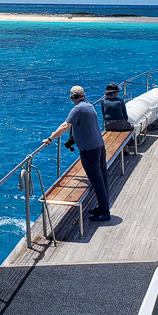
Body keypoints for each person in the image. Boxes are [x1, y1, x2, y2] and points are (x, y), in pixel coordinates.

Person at [43, 86, 111, 221]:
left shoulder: (77, 109)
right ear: (84, 95)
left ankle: (104, 212)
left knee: (97, 181)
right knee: (102, 178)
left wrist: (50, 138)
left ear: (71, 97)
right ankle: (103, 207)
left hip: (89, 150)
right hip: (99, 145)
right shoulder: (89, 106)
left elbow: (65, 126)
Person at [101, 83, 133, 155]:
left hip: (108, 125)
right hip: (120, 124)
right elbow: (125, 117)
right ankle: (126, 148)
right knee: (131, 128)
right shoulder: (120, 101)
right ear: (115, 93)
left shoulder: (103, 101)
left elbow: (104, 116)